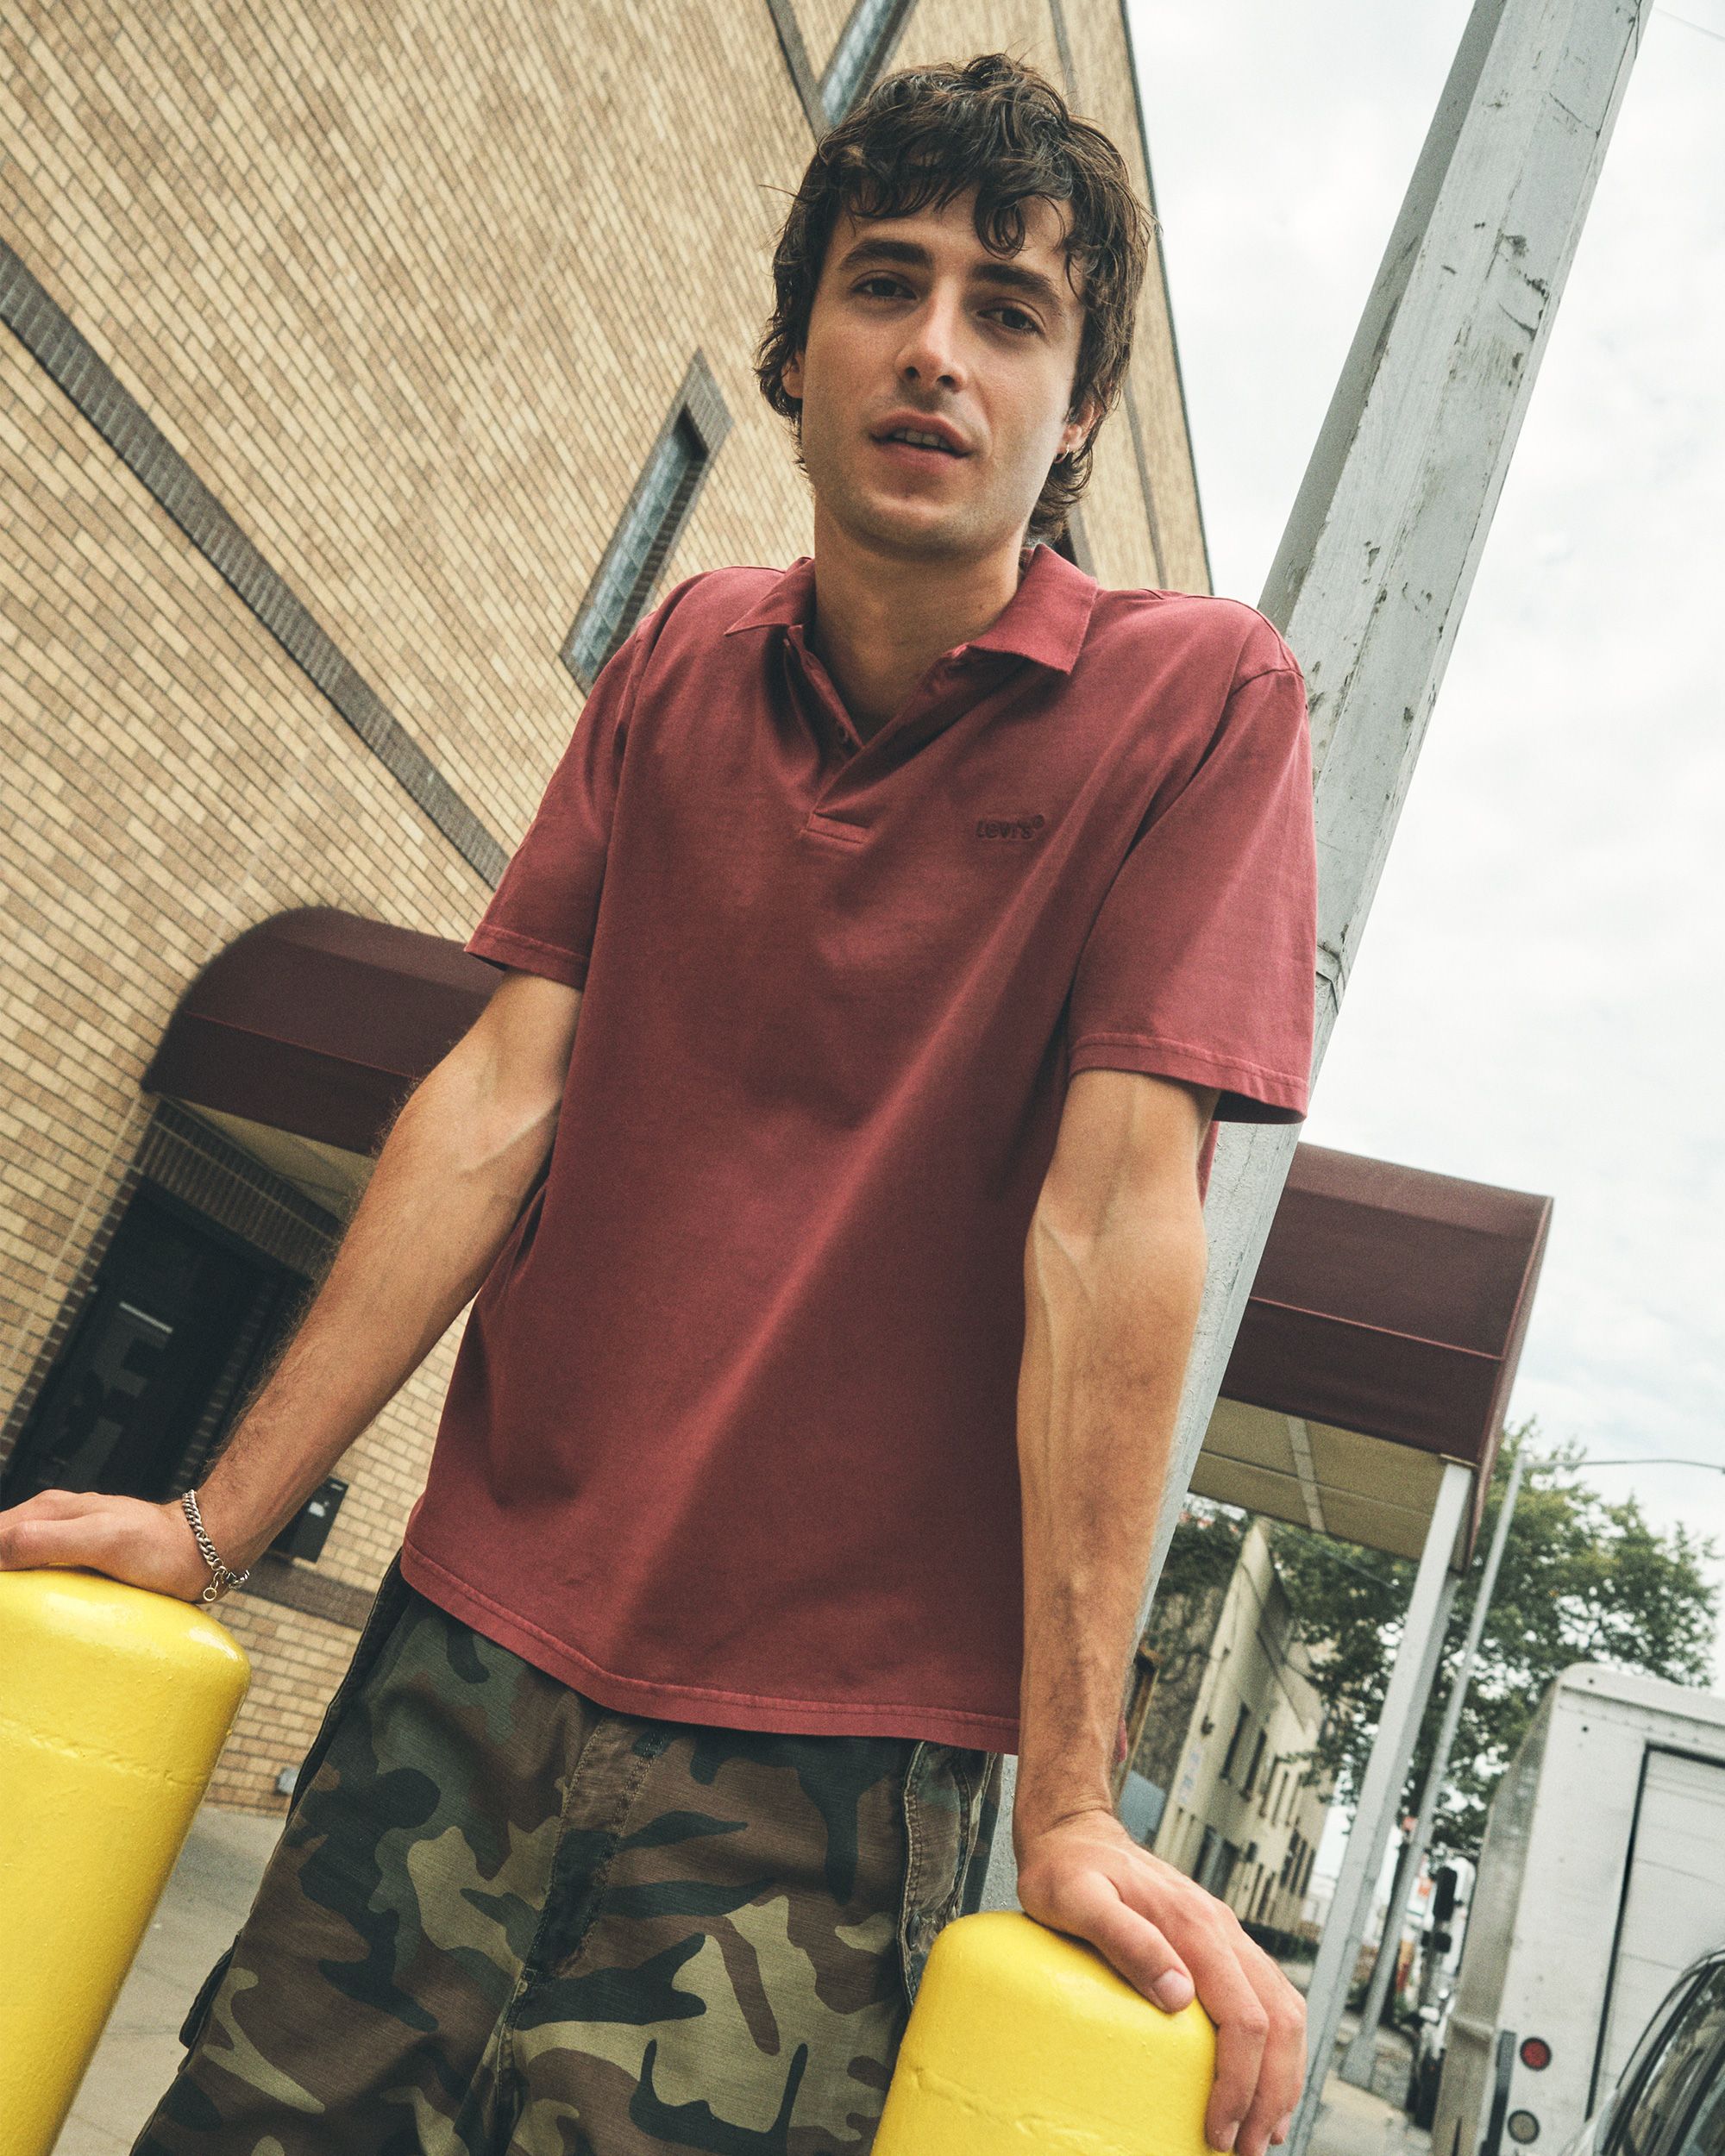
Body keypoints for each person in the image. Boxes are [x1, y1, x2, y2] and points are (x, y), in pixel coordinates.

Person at [0, 53, 1317, 2156]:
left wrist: (1068, 1796)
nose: (936, 351)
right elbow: (495, 1095)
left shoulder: (1201, 704)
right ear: (793, 354)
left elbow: (1111, 1220)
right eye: (884, 286)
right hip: (467, 1645)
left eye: (1010, 312)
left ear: (1077, 416)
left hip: (827, 1765)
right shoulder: (684, 656)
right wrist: (209, 1521)